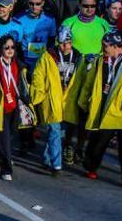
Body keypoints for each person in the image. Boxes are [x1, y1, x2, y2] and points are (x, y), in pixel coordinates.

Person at [31, 26, 86, 176]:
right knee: (55, 131)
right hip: (52, 99)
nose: (65, 46)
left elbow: (82, 81)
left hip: (68, 101)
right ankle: (56, 165)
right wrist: (39, 96)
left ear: (72, 41)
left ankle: (48, 158)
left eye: (67, 42)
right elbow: (38, 77)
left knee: (59, 133)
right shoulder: (48, 56)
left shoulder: (79, 57)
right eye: (61, 43)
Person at [0, 35, 32, 181]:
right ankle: (6, 169)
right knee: (4, 141)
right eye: (7, 47)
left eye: (12, 47)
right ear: (0, 49)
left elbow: (22, 84)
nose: (10, 50)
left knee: (6, 136)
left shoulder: (17, 64)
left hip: (14, 107)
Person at [80, 31, 122, 184]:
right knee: (98, 141)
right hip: (105, 109)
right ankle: (91, 167)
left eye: (106, 46)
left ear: (115, 46)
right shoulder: (101, 61)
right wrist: (83, 101)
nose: (103, 48)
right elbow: (89, 83)